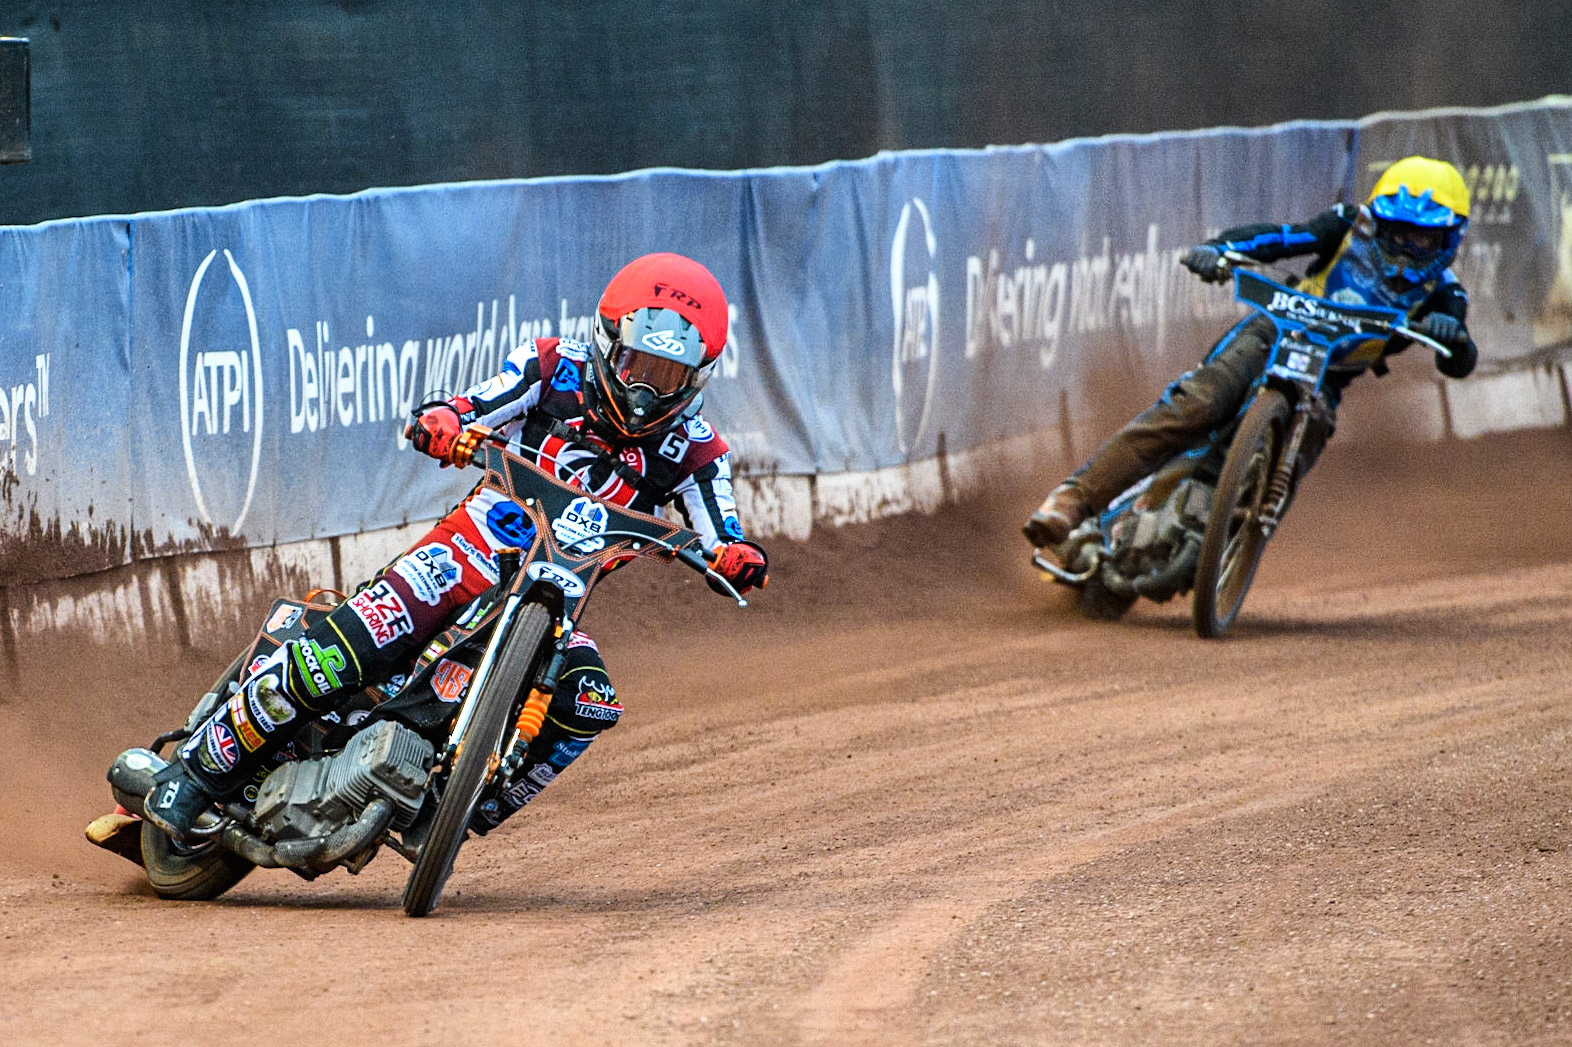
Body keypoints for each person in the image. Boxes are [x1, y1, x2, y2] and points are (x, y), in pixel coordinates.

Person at [145, 252, 769, 839]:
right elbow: (471, 405)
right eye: (637, 367)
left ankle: (465, 806)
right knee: (347, 648)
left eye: (668, 377)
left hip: (556, 602)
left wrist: (737, 558)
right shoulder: (552, 366)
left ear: (698, 378)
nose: (645, 391)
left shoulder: (699, 451)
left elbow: (725, 536)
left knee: (589, 699)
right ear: (608, 344)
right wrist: (444, 420)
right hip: (464, 554)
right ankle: (192, 776)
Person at [1024, 155, 1480, 549]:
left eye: (1423, 239)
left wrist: (1453, 338)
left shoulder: (1445, 295)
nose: (1407, 249)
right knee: (1200, 403)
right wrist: (1220, 250)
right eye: (1398, 233)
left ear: (1450, 239)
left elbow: (1459, 361)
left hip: (1327, 379)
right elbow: (1282, 238)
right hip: (1274, 332)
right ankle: (1073, 499)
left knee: (1297, 452)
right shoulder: (1347, 227)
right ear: (1377, 222)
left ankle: (1231, 546)